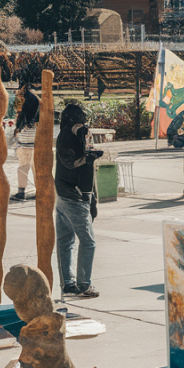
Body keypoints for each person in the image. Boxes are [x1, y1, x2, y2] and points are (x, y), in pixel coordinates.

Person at [55, 103, 103, 298]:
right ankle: (83, 284)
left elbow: (84, 169)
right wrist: (89, 158)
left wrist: (93, 200)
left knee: (66, 240)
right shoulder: (67, 136)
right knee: (88, 242)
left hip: (69, 195)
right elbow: (71, 163)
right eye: (82, 123)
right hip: (72, 196)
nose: (85, 127)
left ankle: (68, 283)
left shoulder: (76, 136)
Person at [11, 80, 39, 202]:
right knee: (36, 169)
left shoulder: (23, 99)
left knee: (23, 167)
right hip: (35, 143)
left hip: (24, 143)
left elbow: (17, 109)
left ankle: (21, 192)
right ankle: (40, 191)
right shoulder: (35, 99)